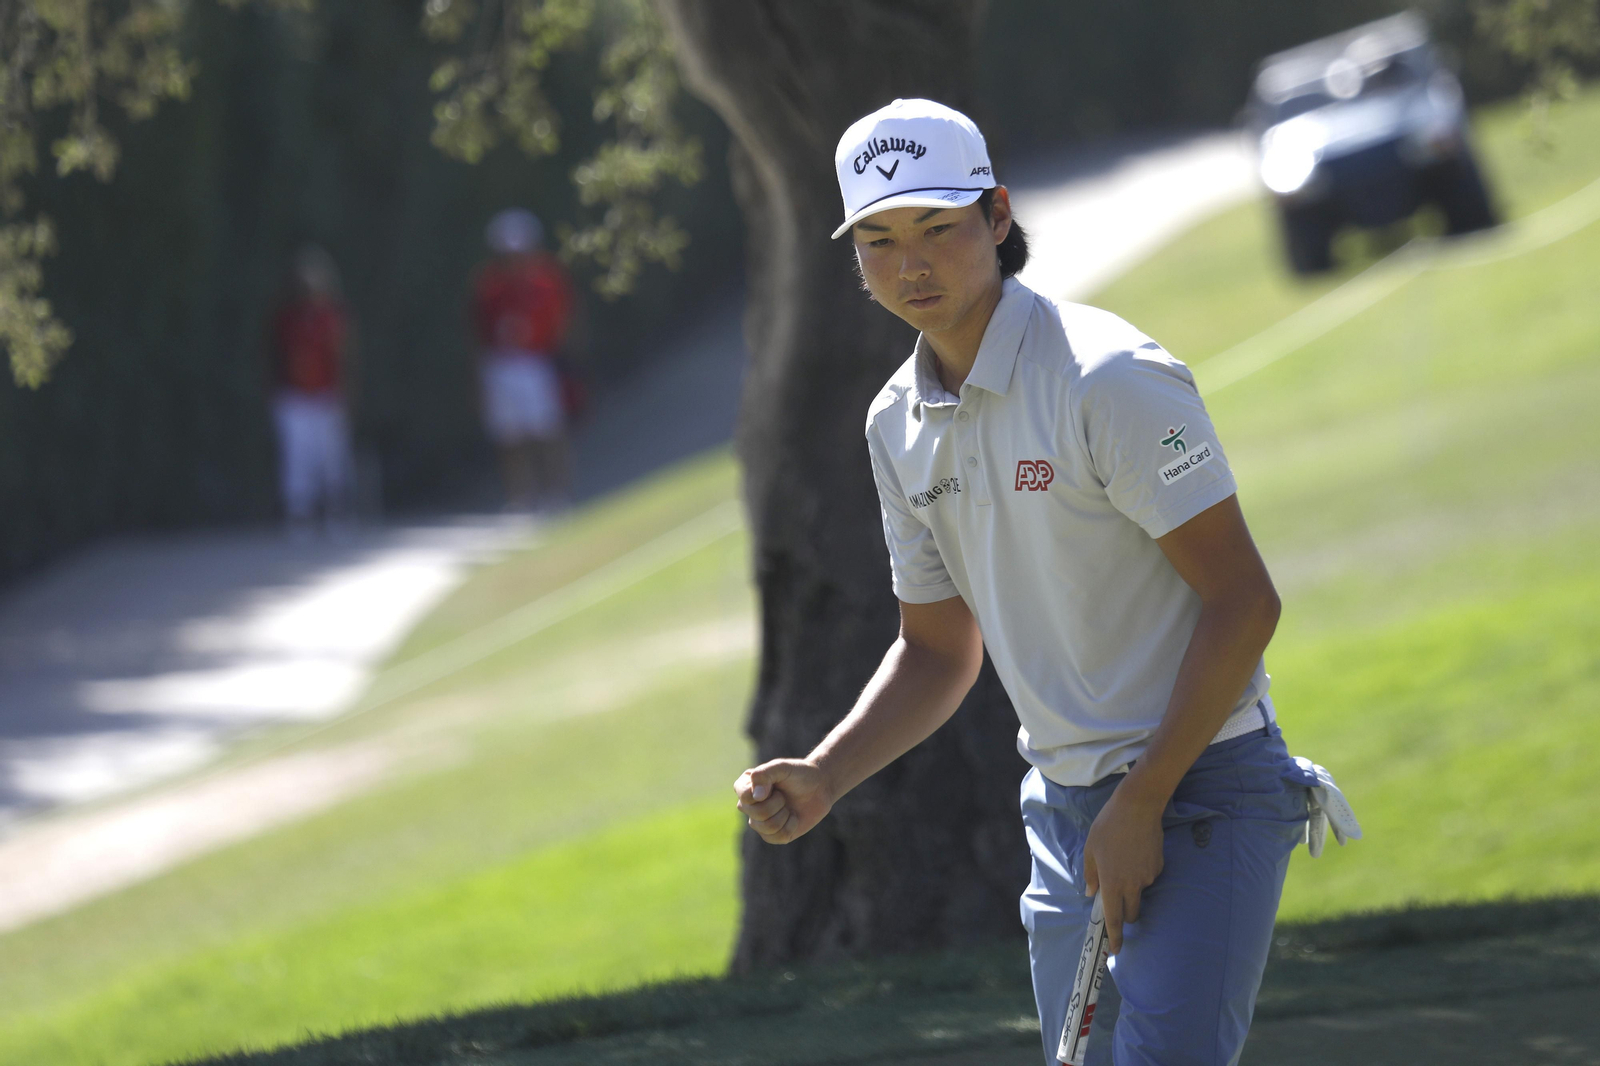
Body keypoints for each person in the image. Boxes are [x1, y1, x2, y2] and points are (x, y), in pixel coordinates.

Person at [733, 99, 1356, 1066]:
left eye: (938, 227)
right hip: (1065, 814)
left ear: (997, 216)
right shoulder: (894, 424)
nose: (913, 263)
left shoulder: (1108, 377)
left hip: (1204, 786)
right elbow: (938, 649)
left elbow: (1246, 603)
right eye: (881, 238)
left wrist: (1144, 798)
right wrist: (826, 773)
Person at [472, 208, 577, 512]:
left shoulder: (547, 279)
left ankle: (558, 494)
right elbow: (479, 331)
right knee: (510, 436)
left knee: (548, 430)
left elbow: (564, 319)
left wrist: (563, 355)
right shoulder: (489, 284)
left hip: (537, 362)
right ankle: (521, 498)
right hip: (502, 364)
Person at [270, 245, 356, 538]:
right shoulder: (287, 318)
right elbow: (276, 357)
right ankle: (299, 516)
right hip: (294, 397)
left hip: (325, 396)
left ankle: (335, 513)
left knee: (330, 459)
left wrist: (344, 396)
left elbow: (342, 357)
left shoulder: (332, 317)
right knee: (297, 458)